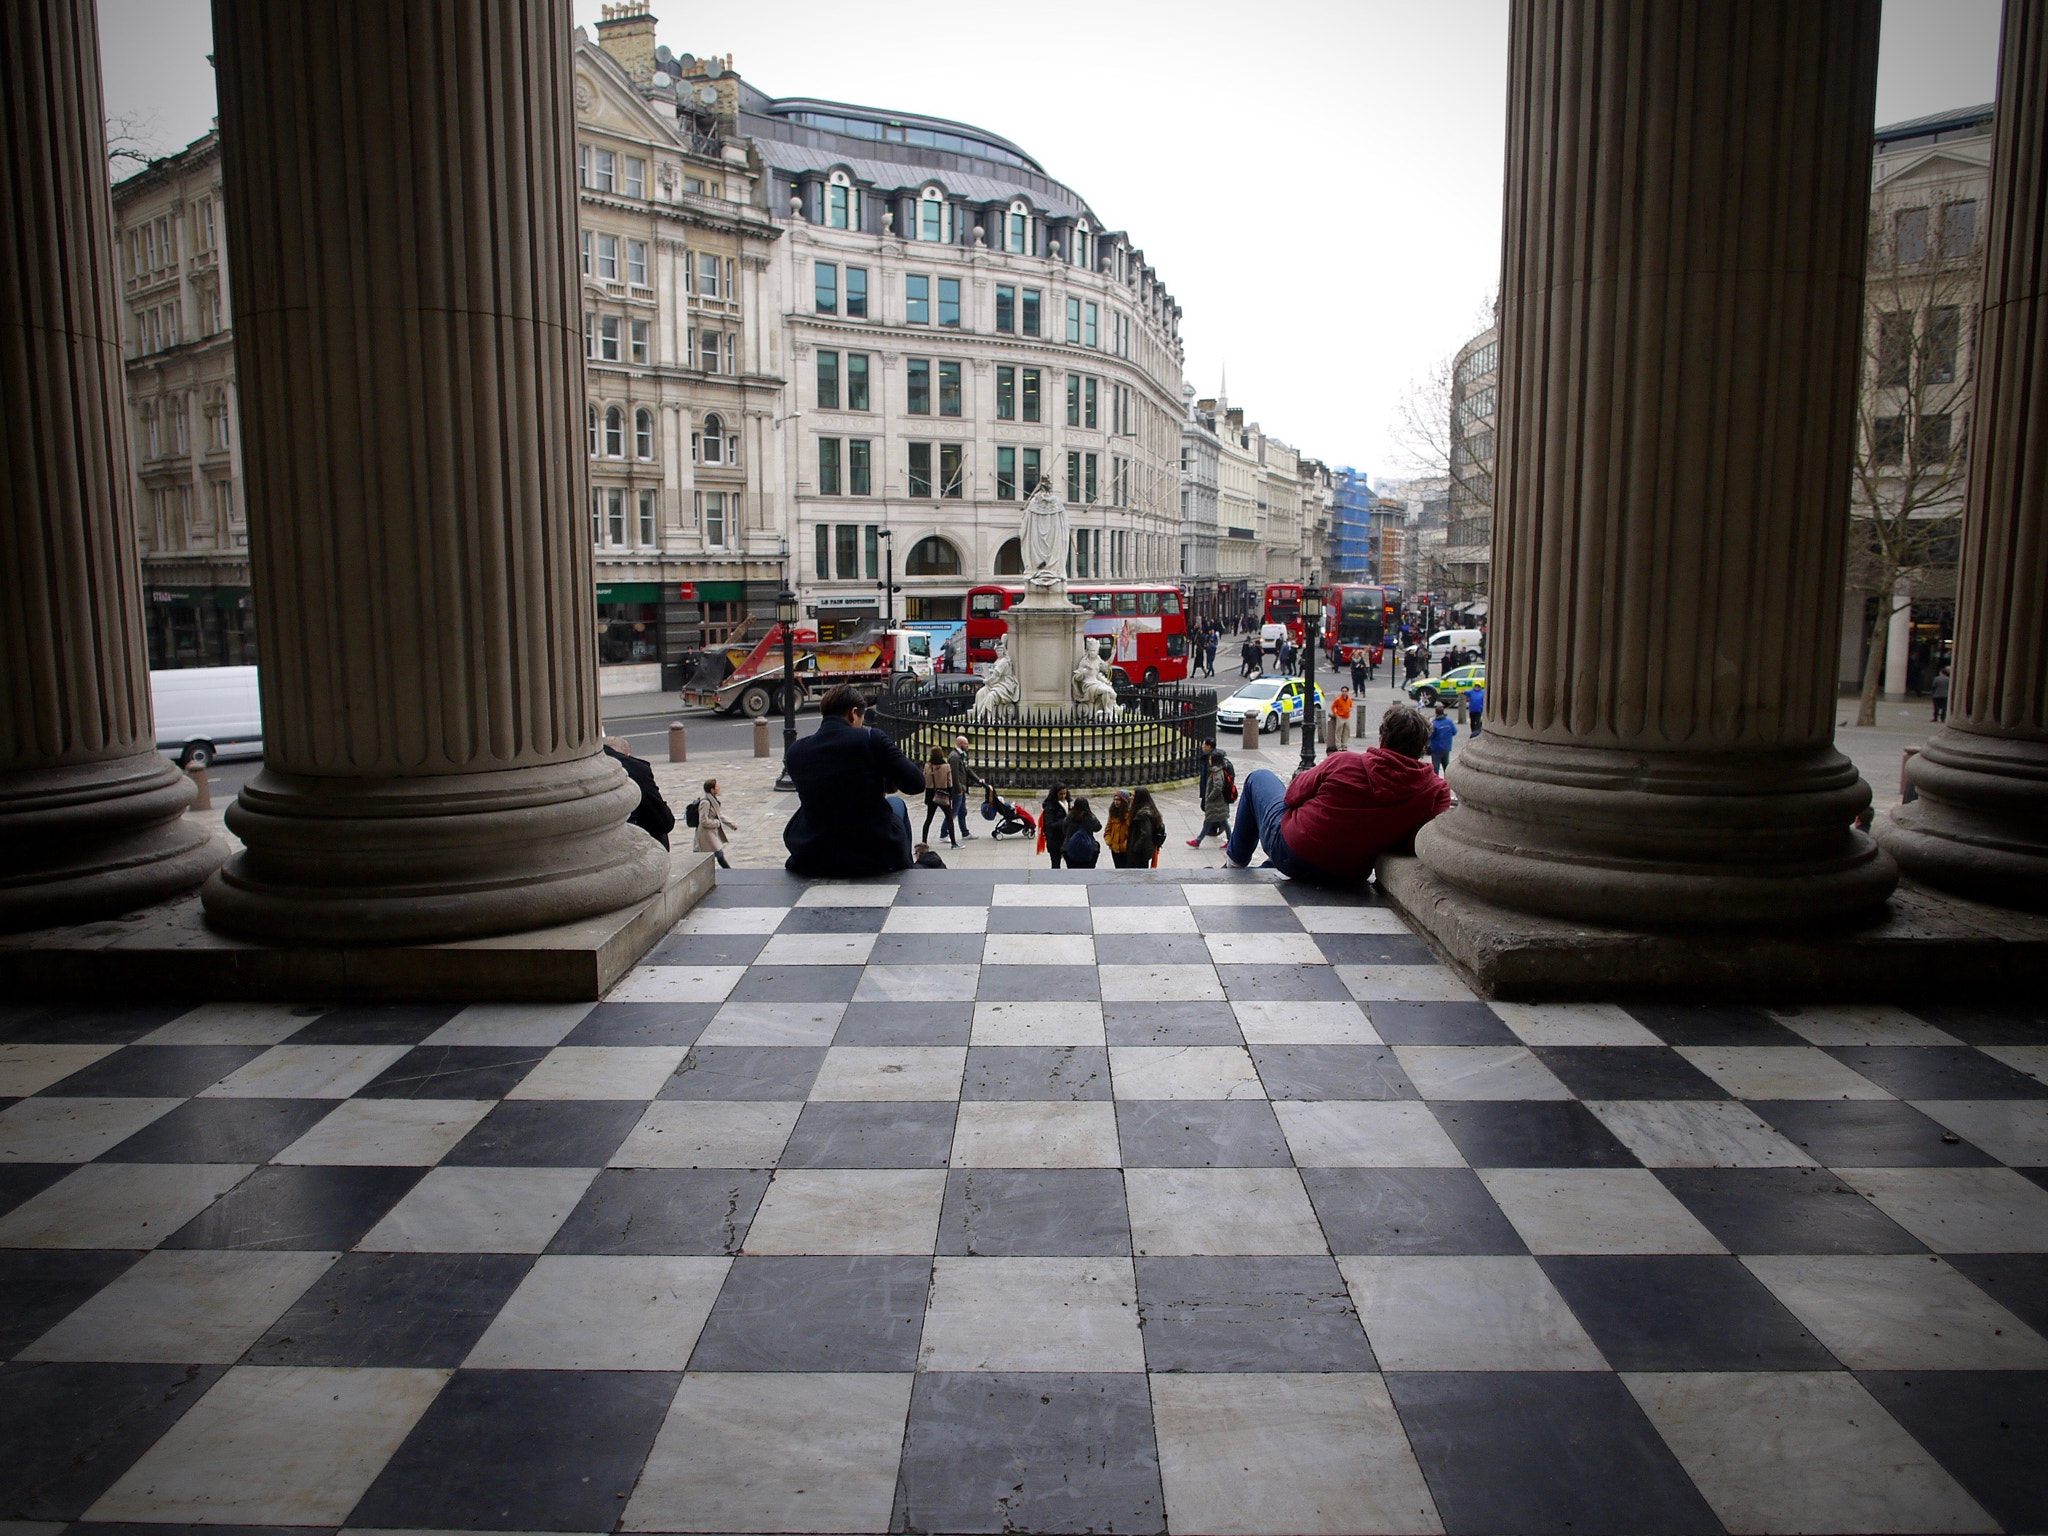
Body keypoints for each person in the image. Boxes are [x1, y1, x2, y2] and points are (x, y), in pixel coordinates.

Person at [1224, 701, 1452, 883]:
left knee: (1259, 778)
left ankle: (1235, 863)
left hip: (1292, 852)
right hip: (1348, 873)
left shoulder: (1344, 762)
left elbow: (1291, 795)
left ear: (1382, 739)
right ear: (1422, 748)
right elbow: (1418, 840)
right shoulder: (1435, 790)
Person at [781, 684, 924, 876]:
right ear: (853, 713)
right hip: (870, 851)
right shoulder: (871, 739)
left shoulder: (796, 750)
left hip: (815, 850)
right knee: (897, 804)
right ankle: (905, 866)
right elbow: (916, 784)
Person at [603, 737, 675, 850]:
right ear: (627, 754)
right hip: (627, 841)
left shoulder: (593, 760)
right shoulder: (636, 768)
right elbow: (663, 820)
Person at [1189, 746, 1235, 847]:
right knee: (1214, 821)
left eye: (1211, 759)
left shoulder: (1217, 772)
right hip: (1218, 803)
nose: (1209, 760)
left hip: (1217, 803)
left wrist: (1209, 797)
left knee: (1218, 821)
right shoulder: (1217, 770)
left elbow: (1218, 787)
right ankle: (1199, 840)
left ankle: (1198, 841)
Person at [691, 776, 738, 868]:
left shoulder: (713, 801)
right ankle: (730, 872)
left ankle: (728, 872)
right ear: (712, 790)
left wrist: (732, 824)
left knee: (708, 855)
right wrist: (716, 823)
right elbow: (703, 820)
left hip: (710, 833)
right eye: (717, 787)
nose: (719, 788)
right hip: (705, 834)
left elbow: (719, 815)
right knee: (718, 853)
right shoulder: (706, 803)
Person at [921, 747, 956, 848]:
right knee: (949, 818)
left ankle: (924, 841)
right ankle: (953, 842)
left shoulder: (927, 766)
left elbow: (924, 779)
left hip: (930, 793)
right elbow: (950, 782)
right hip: (943, 793)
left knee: (928, 819)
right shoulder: (946, 766)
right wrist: (950, 796)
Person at [948, 735, 981, 839]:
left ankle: (965, 833)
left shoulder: (961, 755)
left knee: (962, 812)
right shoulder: (954, 757)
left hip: (961, 788)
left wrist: (978, 779)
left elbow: (967, 770)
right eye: (966, 744)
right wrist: (958, 789)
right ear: (960, 744)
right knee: (953, 812)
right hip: (958, 790)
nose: (968, 746)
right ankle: (943, 833)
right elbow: (954, 775)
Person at [1126, 788, 1166, 867]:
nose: (1131, 798)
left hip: (1140, 854)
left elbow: (1145, 834)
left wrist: (1135, 847)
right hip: (1142, 852)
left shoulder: (1143, 815)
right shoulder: (1148, 811)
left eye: (1133, 796)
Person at [1063, 794, 1103, 868]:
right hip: (1089, 847)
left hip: (1070, 847)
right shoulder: (1090, 818)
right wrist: (1090, 813)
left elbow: (1064, 829)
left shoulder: (1069, 817)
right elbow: (1098, 827)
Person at [1041, 783, 1072, 869]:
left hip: (1066, 838)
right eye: (1061, 794)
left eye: (1065, 793)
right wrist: (1066, 821)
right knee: (1055, 864)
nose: (1063, 796)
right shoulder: (1050, 807)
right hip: (1055, 840)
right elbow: (1049, 824)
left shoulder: (1067, 803)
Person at [1104, 790, 1135, 867]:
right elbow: (1108, 829)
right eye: (1115, 799)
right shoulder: (1113, 814)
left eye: (1119, 800)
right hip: (1115, 849)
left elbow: (1131, 832)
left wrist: (1125, 845)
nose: (1116, 802)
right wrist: (1109, 841)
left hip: (1125, 850)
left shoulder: (1129, 815)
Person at [1429, 705, 1456, 775]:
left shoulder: (1434, 724)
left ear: (1436, 713)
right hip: (1446, 747)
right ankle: (1448, 781)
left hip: (1436, 748)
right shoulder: (1449, 722)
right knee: (1446, 765)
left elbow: (1431, 736)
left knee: (1435, 767)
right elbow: (1454, 732)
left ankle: (1436, 782)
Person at [1328, 686, 1355, 751]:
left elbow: (1351, 706)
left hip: (1347, 717)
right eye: (1343, 691)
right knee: (1339, 732)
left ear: (1347, 692)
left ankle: (1344, 745)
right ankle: (1338, 746)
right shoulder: (1338, 699)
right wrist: (1336, 714)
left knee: (1346, 732)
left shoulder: (1349, 699)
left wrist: (1350, 709)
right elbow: (1333, 707)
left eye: (1345, 691)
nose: (1344, 693)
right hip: (1340, 717)